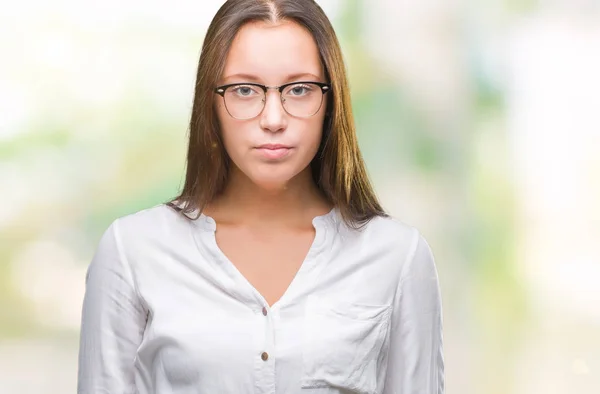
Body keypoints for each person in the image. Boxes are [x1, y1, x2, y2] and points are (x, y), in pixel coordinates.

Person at [77, 0, 444, 393]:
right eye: (245, 90)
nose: (273, 119)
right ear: (211, 102)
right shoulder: (134, 251)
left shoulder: (397, 256)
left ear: (330, 102)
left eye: (300, 89)